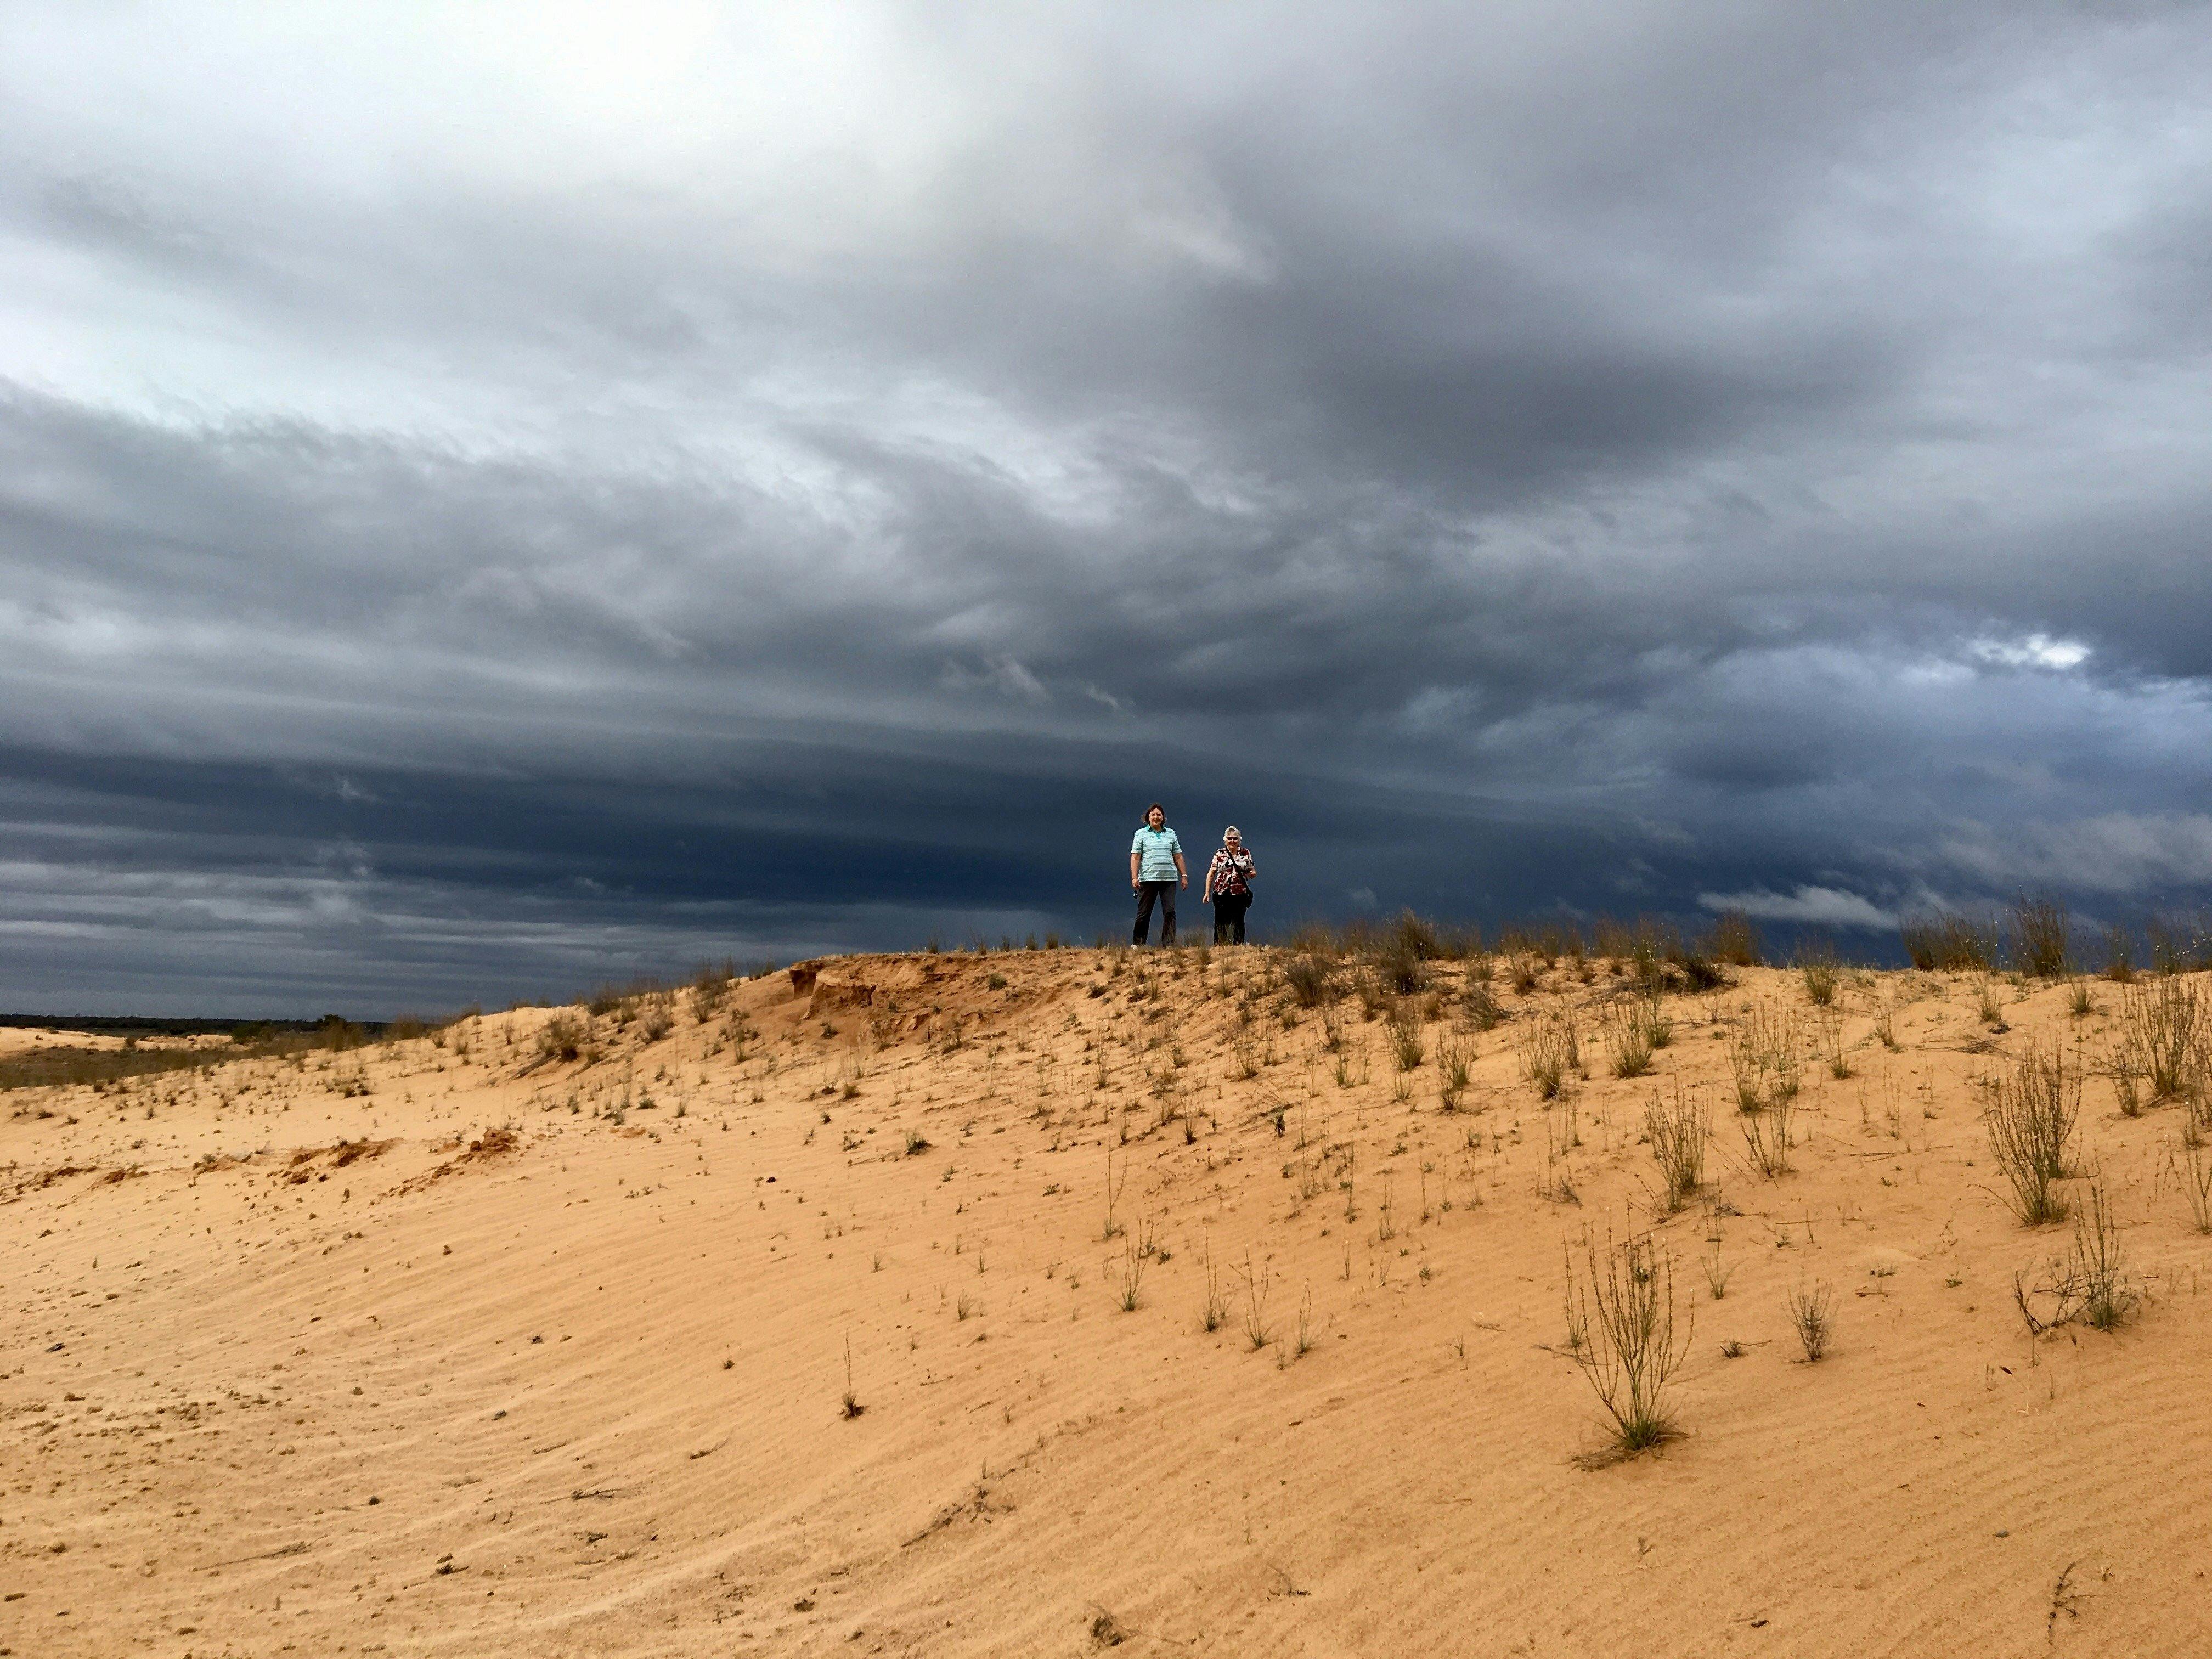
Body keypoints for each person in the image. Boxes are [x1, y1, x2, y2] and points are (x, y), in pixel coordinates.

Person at [1128, 802, 1187, 946]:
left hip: (1169, 879)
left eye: (1159, 815)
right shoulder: (1140, 834)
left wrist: (1184, 875)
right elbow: (1136, 856)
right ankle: (1138, 943)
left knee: (1169, 912)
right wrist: (1135, 877)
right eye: (1153, 814)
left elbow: (1178, 855)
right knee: (1144, 912)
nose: (1156, 817)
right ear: (1148, 817)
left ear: (1163, 818)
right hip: (1148, 878)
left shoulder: (1171, 833)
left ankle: (1168, 944)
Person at [1203, 826, 1257, 944]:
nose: (1232, 841)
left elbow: (1252, 871)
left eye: (1235, 839)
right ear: (1226, 840)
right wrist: (1207, 892)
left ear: (1239, 840)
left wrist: (1252, 874)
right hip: (1221, 891)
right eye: (1230, 838)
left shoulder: (1245, 853)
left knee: (1239, 919)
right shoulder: (1220, 853)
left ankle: (1238, 945)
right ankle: (1220, 945)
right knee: (1220, 920)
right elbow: (1211, 873)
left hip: (1240, 891)